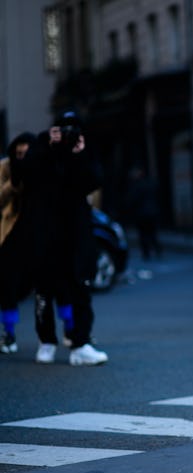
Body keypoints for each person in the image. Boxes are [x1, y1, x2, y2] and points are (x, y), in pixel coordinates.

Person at [18, 111, 108, 365]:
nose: (68, 133)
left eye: (73, 129)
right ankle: (46, 341)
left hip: (76, 232)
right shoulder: (42, 146)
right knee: (44, 290)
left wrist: (78, 155)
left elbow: (93, 181)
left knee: (80, 288)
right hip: (45, 232)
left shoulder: (83, 150)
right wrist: (49, 146)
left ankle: (81, 343)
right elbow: (26, 174)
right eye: (63, 128)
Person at [0, 133, 35, 354]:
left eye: (26, 153)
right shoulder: (5, 167)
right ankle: (9, 333)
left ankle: (67, 334)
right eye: (18, 153)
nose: (22, 157)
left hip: (36, 232)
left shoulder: (41, 166)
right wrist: (13, 182)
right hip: (10, 233)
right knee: (8, 286)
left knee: (46, 285)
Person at [125, 165, 162, 261]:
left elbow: (132, 200)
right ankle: (156, 250)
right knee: (152, 233)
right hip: (151, 212)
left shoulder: (137, 185)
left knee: (144, 234)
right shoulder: (150, 183)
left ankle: (148, 252)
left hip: (142, 213)